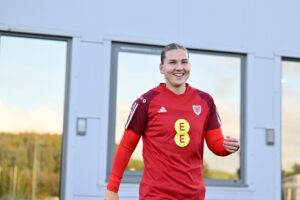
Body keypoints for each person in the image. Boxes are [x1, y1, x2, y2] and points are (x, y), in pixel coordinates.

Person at [105, 43, 240, 200]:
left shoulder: (205, 101)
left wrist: (228, 146)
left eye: (184, 62)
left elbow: (216, 144)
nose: (179, 67)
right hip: (156, 195)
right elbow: (127, 147)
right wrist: (112, 189)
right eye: (172, 62)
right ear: (161, 68)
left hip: (194, 195)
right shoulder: (145, 102)